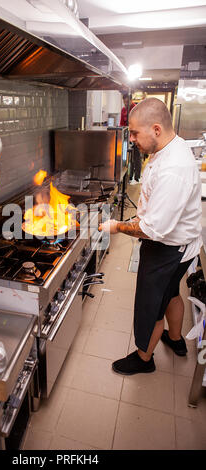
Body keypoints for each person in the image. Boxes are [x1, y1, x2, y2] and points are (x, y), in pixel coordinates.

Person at [99, 97, 202, 375]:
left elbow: (152, 230)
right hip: (181, 246)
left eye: (134, 133)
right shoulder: (168, 148)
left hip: (166, 249)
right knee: (171, 294)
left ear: (156, 129)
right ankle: (176, 339)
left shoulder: (174, 169)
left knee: (151, 305)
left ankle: (144, 359)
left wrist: (118, 226)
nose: (131, 139)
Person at [120, 93, 142, 183]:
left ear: (131, 100)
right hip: (127, 137)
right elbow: (122, 124)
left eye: (127, 102)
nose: (125, 104)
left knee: (136, 157)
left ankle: (137, 177)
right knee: (128, 158)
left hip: (136, 137)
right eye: (124, 102)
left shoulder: (136, 109)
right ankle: (129, 177)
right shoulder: (124, 110)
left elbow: (139, 124)